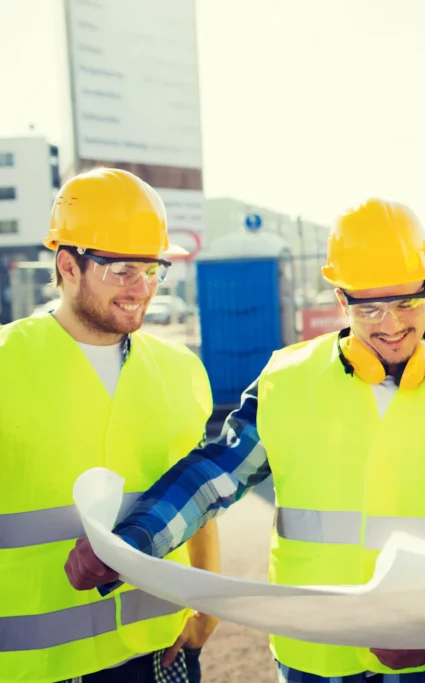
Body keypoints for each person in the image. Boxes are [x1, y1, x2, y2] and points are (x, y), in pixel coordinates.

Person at [65, 198, 425, 683]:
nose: (392, 325)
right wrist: (130, 544)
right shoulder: (285, 380)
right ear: (340, 300)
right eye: (370, 307)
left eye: (406, 303)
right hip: (312, 656)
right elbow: (213, 477)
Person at [0, 167, 220, 683]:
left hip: (159, 651)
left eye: (152, 270)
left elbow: (203, 499)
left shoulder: (181, 368)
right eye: (122, 269)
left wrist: (206, 604)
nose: (140, 288)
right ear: (67, 266)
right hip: (35, 665)